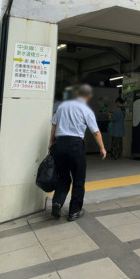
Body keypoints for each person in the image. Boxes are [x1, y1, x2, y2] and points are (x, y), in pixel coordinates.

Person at [49, 84, 107, 221]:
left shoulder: (62, 106)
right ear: (88, 96)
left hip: (60, 144)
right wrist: (102, 148)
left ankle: (57, 202)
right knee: (78, 179)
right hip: (75, 145)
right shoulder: (86, 109)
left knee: (63, 177)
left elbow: (54, 126)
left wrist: (51, 142)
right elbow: (96, 132)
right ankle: (74, 211)